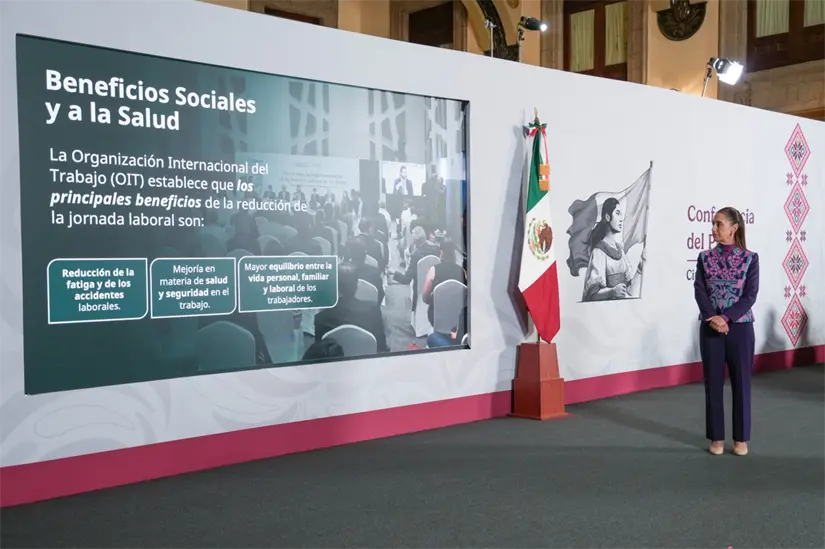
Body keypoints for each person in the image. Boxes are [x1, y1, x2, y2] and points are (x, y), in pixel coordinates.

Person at [694, 207, 759, 457]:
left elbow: (750, 295)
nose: (714, 229)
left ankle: (741, 438)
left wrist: (726, 317)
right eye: (713, 224)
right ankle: (716, 437)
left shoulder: (751, 258)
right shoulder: (704, 257)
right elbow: (699, 290)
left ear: (734, 228)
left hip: (740, 328)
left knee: (741, 383)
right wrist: (713, 317)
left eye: (719, 224)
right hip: (710, 327)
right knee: (712, 383)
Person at [582, 197, 645, 301]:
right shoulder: (599, 251)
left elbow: (630, 291)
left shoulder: (620, 250)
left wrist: (640, 268)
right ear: (607, 217)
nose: (621, 219)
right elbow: (593, 295)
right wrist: (611, 292)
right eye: (617, 213)